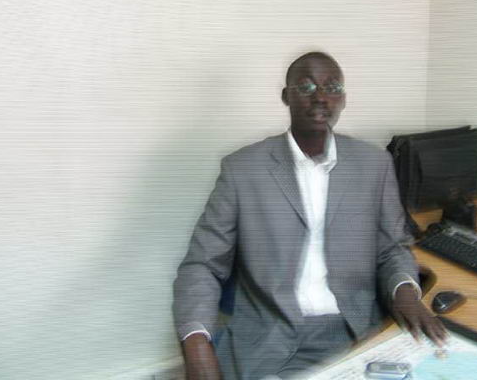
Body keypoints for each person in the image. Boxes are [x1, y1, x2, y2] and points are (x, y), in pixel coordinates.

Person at [173, 52, 446, 380]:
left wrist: (405, 293)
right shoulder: (242, 170)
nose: (320, 97)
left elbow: (392, 248)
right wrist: (196, 346)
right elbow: (202, 265)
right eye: (306, 86)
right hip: (268, 332)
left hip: (354, 328)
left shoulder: (374, 165)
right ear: (286, 96)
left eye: (332, 87)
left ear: (343, 99)